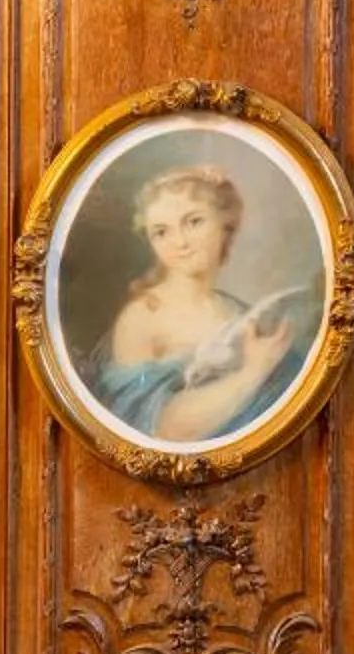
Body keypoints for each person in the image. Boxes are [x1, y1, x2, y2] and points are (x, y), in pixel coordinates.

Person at [82, 164, 316, 444]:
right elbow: (159, 430)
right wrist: (253, 372)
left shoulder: (239, 312)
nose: (180, 242)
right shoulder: (143, 316)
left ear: (226, 224)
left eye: (193, 222)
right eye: (161, 232)